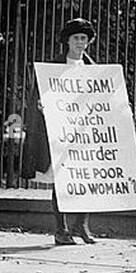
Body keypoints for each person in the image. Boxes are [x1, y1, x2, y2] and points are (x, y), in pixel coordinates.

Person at [20, 17, 98, 245]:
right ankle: (60, 229)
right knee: (62, 179)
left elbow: (105, 99)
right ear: (67, 41)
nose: (80, 43)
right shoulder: (52, 69)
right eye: (76, 38)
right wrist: (42, 106)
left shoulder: (94, 70)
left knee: (87, 178)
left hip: (86, 133)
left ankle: (80, 225)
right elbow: (38, 98)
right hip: (60, 132)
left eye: (84, 38)